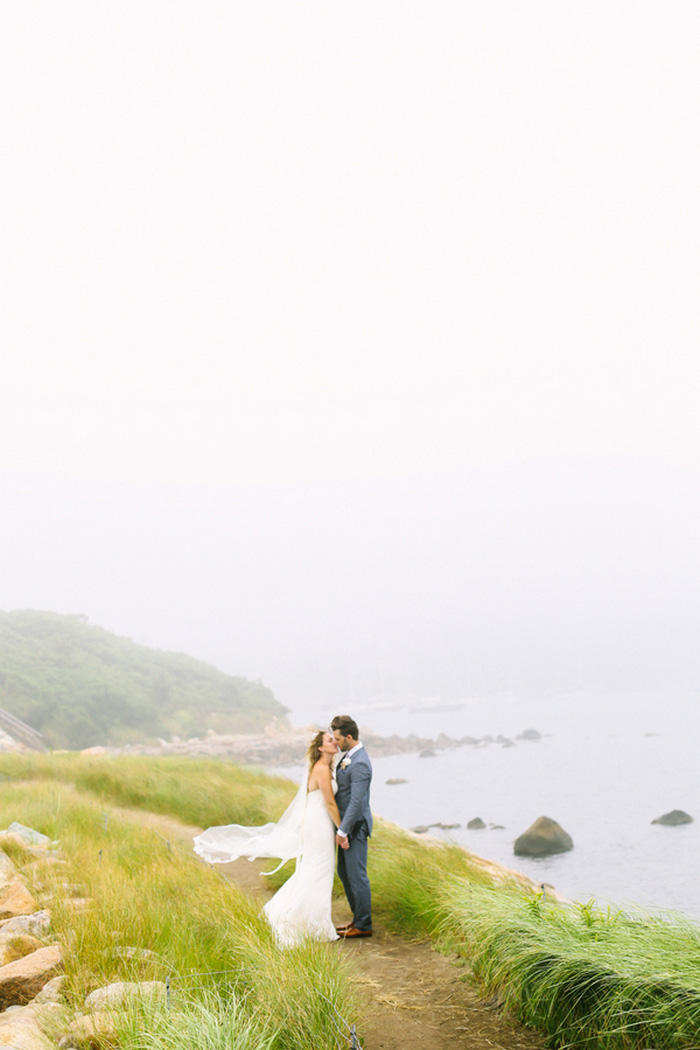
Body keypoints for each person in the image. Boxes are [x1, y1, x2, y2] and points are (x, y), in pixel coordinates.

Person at [193, 730, 342, 947]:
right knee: (317, 870)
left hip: (317, 822)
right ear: (321, 748)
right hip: (318, 824)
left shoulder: (326, 768)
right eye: (330, 740)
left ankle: (313, 922)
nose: (335, 742)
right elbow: (329, 803)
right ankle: (304, 922)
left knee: (316, 870)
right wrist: (342, 830)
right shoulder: (321, 769)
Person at [331, 714, 373, 938]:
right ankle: (357, 919)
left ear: (349, 736)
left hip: (355, 827)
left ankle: (364, 925)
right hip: (347, 826)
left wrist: (342, 831)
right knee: (345, 873)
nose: (335, 742)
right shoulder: (349, 756)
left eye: (337, 739)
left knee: (356, 875)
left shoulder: (360, 763)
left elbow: (357, 802)